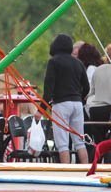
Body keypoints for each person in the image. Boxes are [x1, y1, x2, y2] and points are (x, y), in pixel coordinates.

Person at [42, 33, 89, 164]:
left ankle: (67, 171)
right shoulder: (78, 63)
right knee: (80, 141)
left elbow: (48, 88)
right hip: (77, 104)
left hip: (61, 104)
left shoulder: (53, 62)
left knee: (62, 143)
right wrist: (80, 99)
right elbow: (87, 87)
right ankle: (86, 169)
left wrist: (41, 109)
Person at [86, 43, 111, 148]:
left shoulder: (97, 70)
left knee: (99, 143)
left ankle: (98, 162)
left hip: (96, 110)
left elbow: (91, 91)